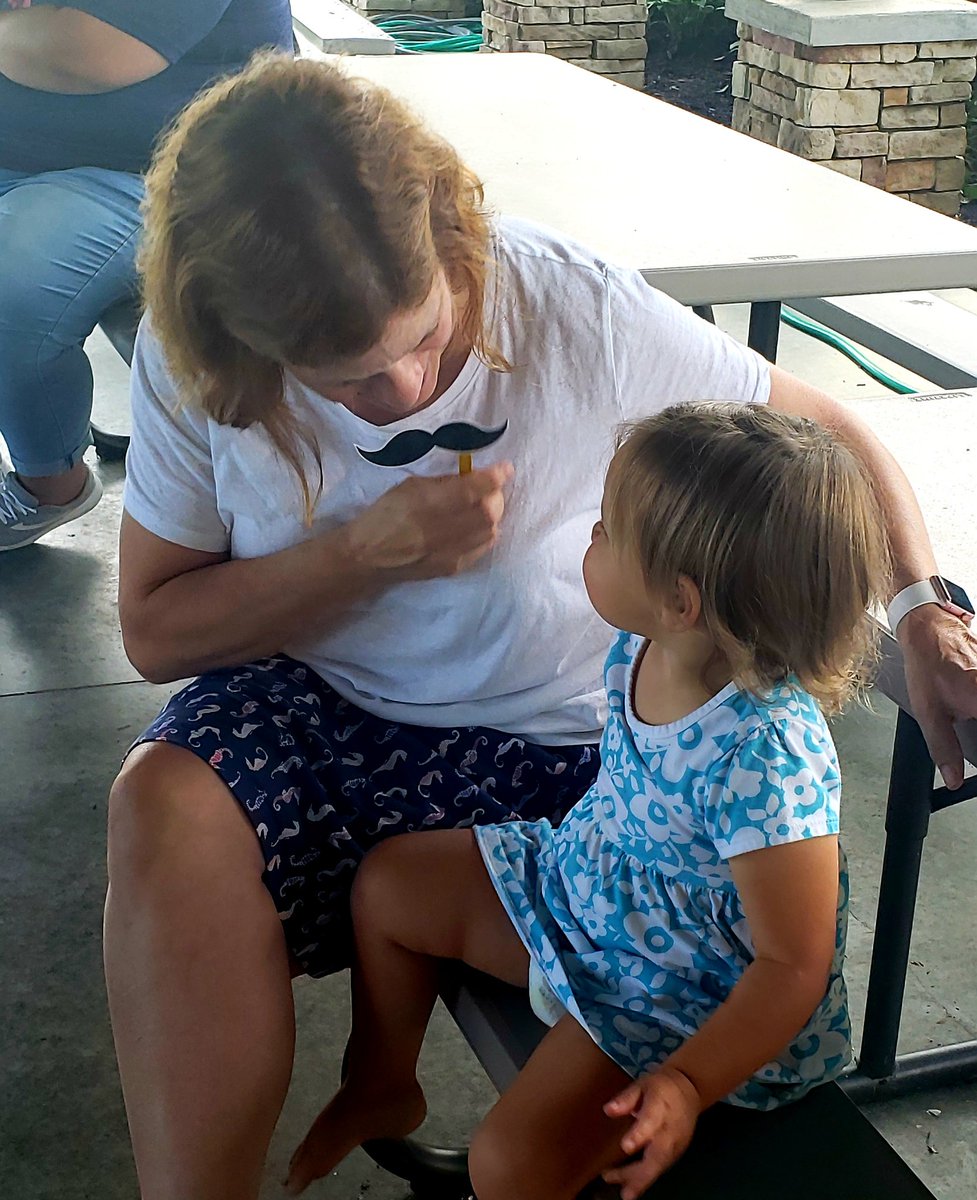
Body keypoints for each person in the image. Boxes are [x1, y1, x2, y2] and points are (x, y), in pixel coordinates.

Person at [103, 54, 977, 1200]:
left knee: (533, 1131)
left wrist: (918, 609)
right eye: (349, 382)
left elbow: (819, 435)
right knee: (157, 803)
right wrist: (357, 556)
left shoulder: (568, 303)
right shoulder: (199, 354)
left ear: (452, 240)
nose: (408, 388)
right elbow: (156, 633)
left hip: (569, 755)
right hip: (327, 707)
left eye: (426, 334)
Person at [283, 403, 891, 1200]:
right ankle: (381, 1082)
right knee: (393, 885)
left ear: (681, 601)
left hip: (680, 993)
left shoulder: (766, 756)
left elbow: (793, 965)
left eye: (607, 528)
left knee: (510, 1167)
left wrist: (686, 1081)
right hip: (587, 891)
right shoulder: (644, 643)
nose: (590, 538)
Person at [0, 0, 293, 551]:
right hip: (29, 154)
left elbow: (94, 51)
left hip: (166, 170)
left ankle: (48, 482)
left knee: (11, 282)